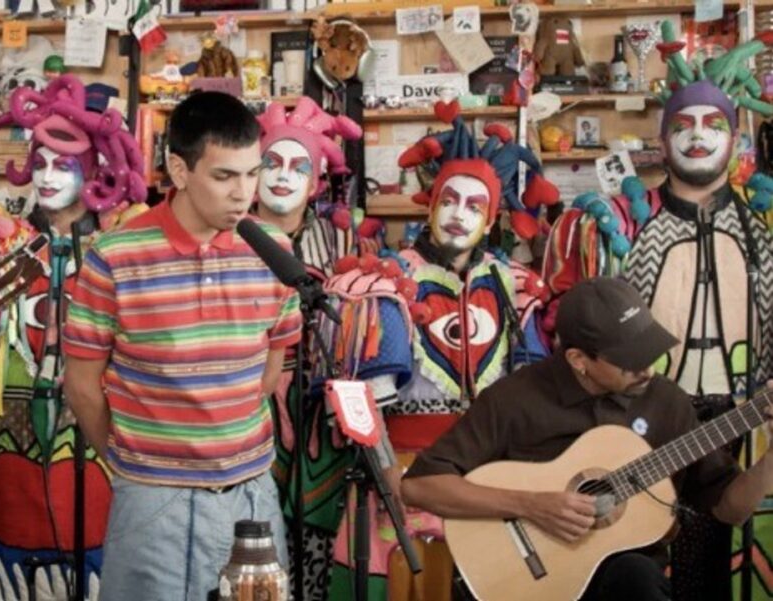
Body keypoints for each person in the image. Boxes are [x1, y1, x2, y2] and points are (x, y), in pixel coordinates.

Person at [541, 21, 773, 599]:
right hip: (647, 426)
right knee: (648, 563)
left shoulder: (763, 229)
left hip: (750, 418)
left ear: (737, 140)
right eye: (683, 125)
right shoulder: (621, 225)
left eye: (712, 124)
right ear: (663, 138)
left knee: (742, 562)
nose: (697, 136)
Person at [62, 91, 302, 601]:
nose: (244, 193)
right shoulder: (115, 257)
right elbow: (82, 388)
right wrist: (139, 467)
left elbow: (268, 373)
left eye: (252, 173)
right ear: (179, 169)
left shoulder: (276, 253)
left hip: (251, 497)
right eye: (224, 176)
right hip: (153, 504)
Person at [402, 277, 773, 601]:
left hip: (624, 582)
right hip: (520, 578)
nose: (647, 369)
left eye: (651, 353)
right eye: (629, 361)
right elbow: (420, 487)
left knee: (638, 579)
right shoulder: (513, 399)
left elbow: (730, 509)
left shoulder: (666, 401)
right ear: (579, 359)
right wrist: (531, 505)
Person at [319, 104, 556, 600]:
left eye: (474, 206)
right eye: (450, 200)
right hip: (402, 470)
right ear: (431, 205)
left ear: (491, 219)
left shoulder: (515, 287)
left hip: (488, 472)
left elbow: (535, 393)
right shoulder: (387, 281)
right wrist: (387, 475)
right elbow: (365, 394)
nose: (458, 215)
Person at [0, 74, 147, 601]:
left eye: (64, 164)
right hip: (2, 462)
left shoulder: (126, 252)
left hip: (101, 459)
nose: (48, 176)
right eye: (42, 162)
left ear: (96, 168)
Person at [253, 96, 364, 599]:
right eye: (271, 163)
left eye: (299, 167)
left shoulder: (343, 247)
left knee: (316, 545)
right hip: (244, 409)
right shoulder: (229, 237)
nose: (282, 176)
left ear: (318, 180)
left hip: (319, 417)